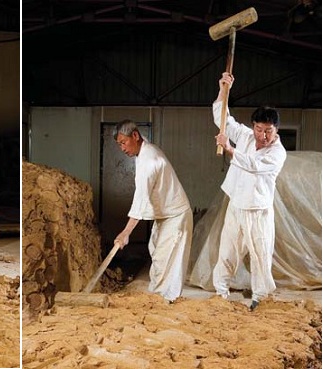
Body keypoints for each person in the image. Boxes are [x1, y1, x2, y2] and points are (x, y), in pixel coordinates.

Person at [211, 72, 287, 311]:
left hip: (258, 210)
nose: (263, 136)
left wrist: (229, 149)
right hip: (236, 204)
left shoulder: (277, 153)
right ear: (253, 126)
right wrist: (224, 89)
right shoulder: (245, 135)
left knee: (260, 255)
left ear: (276, 130)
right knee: (227, 250)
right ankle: (220, 294)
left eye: (268, 131)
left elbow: (253, 166)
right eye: (259, 129)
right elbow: (221, 118)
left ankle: (260, 299)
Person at [113, 120, 193, 303]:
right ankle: (161, 297)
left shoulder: (149, 160)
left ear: (135, 136)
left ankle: (164, 300)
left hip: (176, 216)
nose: (122, 149)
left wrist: (126, 233)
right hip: (165, 215)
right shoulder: (145, 149)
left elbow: (140, 199)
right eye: (119, 145)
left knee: (165, 260)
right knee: (157, 253)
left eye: (123, 142)